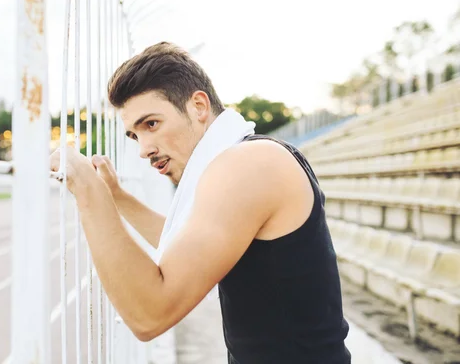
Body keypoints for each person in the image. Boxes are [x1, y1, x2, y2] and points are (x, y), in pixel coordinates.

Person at [49, 42, 351, 363]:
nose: (144, 149)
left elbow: (150, 315)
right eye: (135, 135)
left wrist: (87, 189)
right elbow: (188, 244)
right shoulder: (242, 157)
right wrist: (118, 198)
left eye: (151, 124)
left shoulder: (249, 164)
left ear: (198, 106)